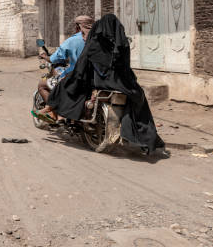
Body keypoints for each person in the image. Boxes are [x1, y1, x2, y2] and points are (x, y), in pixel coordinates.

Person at [46, 14, 165, 154]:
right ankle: (146, 138)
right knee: (139, 103)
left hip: (102, 82)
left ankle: (58, 115)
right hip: (124, 84)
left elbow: (82, 66)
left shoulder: (95, 42)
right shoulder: (121, 43)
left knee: (66, 87)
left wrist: (75, 78)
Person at [37, 15, 94, 103]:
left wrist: (45, 56)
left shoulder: (73, 40)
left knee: (42, 85)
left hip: (76, 77)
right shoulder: (98, 38)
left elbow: (53, 59)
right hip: (93, 77)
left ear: (77, 27)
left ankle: (51, 109)